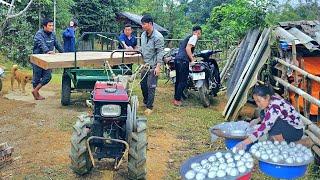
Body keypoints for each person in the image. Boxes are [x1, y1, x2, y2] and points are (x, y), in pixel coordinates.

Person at [235, 85, 305, 150]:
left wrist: (244, 142)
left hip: (296, 132)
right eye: (256, 101)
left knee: (273, 125)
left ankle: (282, 146)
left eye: (259, 101)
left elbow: (264, 128)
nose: (257, 104)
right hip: (289, 126)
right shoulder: (272, 98)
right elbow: (266, 116)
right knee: (263, 113)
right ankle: (276, 140)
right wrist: (257, 120)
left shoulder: (275, 106)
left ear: (267, 97)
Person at [32, 18, 64, 100]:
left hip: (47, 60)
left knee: (48, 77)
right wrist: (47, 51)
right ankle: (36, 94)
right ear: (44, 26)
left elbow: (57, 44)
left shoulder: (53, 34)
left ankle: (35, 91)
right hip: (38, 59)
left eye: (52, 25)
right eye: (50, 25)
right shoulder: (39, 34)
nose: (51, 27)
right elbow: (41, 44)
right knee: (36, 78)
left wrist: (64, 53)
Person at [140, 14, 164, 116]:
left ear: (150, 24)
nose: (142, 26)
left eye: (144, 24)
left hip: (154, 65)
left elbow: (160, 52)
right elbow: (143, 49)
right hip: (145, 64)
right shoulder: (143, 35)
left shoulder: (158, 37)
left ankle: (150, 106)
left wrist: (158, 67)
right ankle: (146, 101)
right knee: (143, 84)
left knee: (151, 86)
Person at [173, 26, 202, 106]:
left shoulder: (187, 38)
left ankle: (176, 98)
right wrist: (192, 59)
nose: (198, 35)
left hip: (177, 59)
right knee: (183, 81)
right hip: (183, 61)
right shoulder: (194, 37)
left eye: (199, 33)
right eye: (198, 33)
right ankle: (177, 100)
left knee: (178, 80)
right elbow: (188, 49)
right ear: (195, 32)